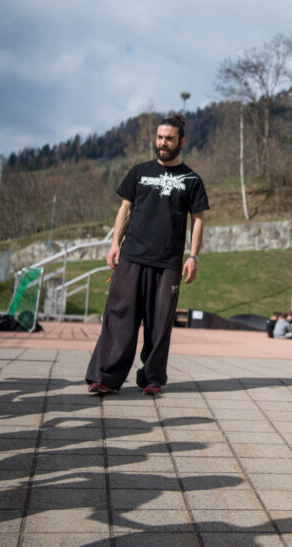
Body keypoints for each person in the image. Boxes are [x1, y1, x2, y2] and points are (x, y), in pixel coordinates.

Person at [85, 114, 209, 396]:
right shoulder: (139, 171)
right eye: (159, 137)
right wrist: (115, 242)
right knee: (119, 317)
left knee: (159, 323)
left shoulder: (192, 180)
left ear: (182, 142)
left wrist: (193, 256)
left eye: (169, 139)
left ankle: (152, 379)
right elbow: (125, 209)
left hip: (168, 262)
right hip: (132, 256)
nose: (163, 143)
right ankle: (104, 377)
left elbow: (198, 220)